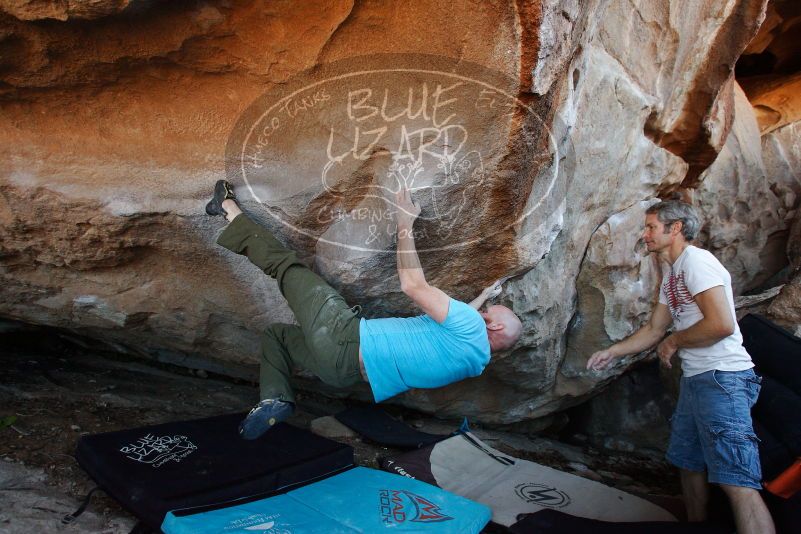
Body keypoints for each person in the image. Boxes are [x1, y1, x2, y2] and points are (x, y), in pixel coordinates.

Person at [205, 180, 522, 439]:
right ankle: (275, 398)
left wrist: (403, 223)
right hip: (341, 373)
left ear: (492, 328)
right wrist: (483, 296)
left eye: (488, 313)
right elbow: (460, 320)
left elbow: (413, 285)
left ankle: (228, 209)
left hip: (342, 336)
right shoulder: (473, 361)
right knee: (278, 337)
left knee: (287, 268)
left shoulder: (468, 326)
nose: (482, 312)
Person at [586, 197, 774, 534]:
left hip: (723, 378)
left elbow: (721, 324)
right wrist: (613, 352)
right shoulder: (673, 273)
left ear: (675, 229)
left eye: (651, 227)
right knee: (688, 464)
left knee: (737, 480)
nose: (645, 234)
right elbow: (654, 329)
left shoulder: (697, 263)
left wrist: (674, 341)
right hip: (697, 380)